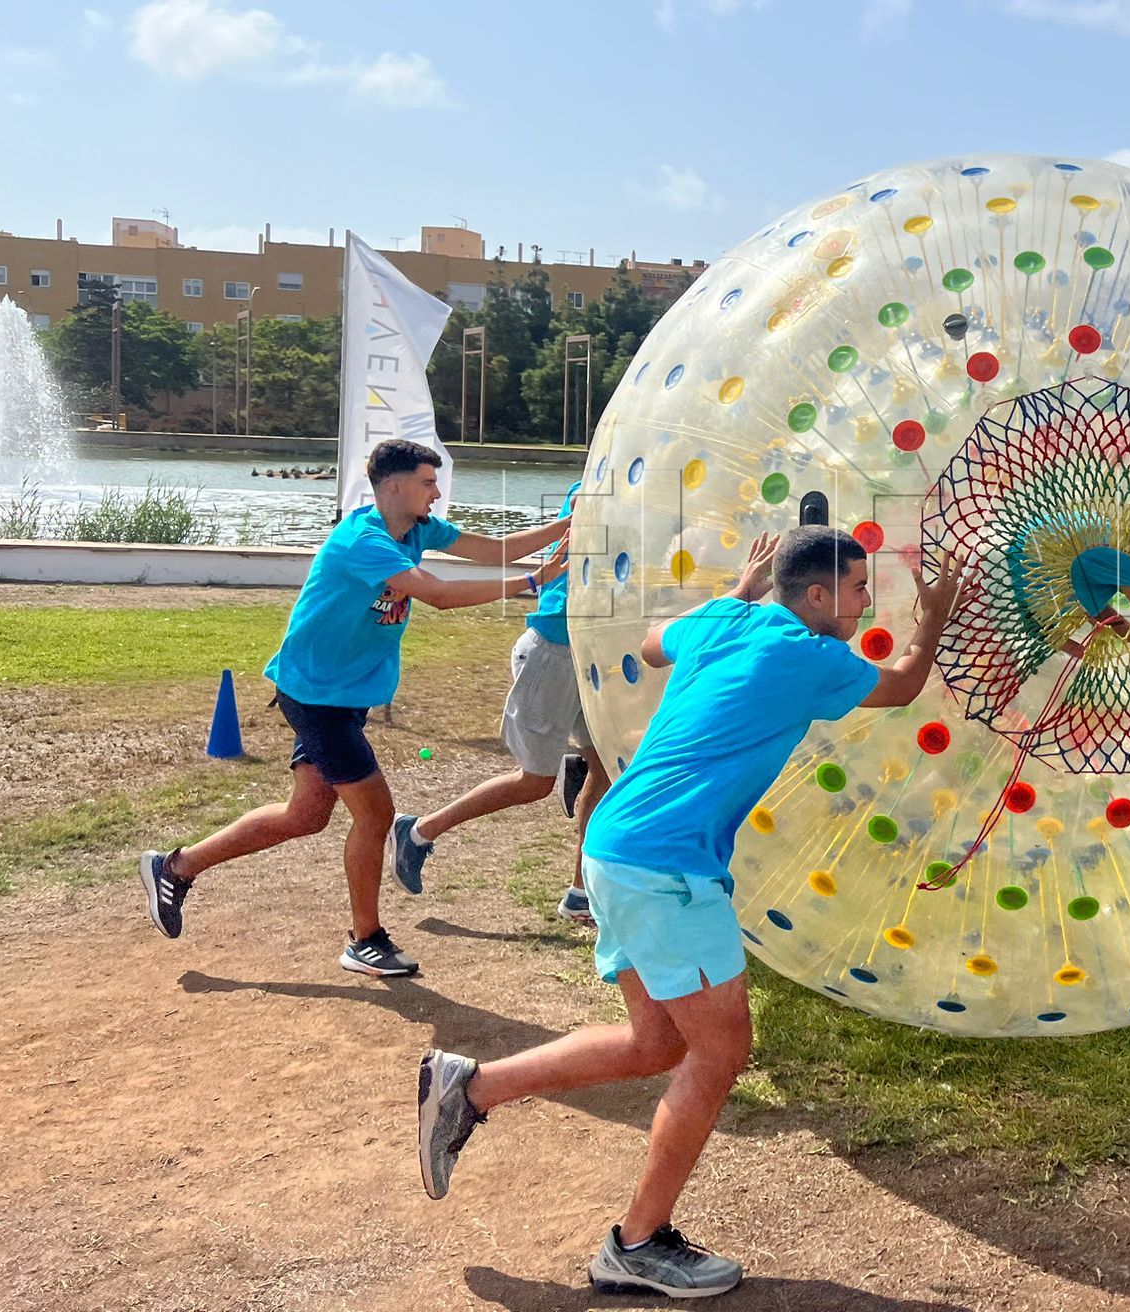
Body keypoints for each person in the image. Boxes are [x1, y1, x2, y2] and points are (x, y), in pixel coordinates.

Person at [415, 524, 977, 1298]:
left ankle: (469, 1089)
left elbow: (652, 647)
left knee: (655, 1043)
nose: (861, 604)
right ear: (816, 597)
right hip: (665, 864)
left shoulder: (730, 619)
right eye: (854, 592)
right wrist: (935, 615)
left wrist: (739, 592)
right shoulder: (809, 657)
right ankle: (636, 1243)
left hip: (620, 846)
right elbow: (905, 683)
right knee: (718, 1053)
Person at [138, 439, 571, 977]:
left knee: (306, 815)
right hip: (316, 695)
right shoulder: (363, 540)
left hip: (339, 696)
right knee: (376, 814)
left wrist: (569, 523)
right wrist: (533, 582)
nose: (437, 493)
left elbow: (495, 548)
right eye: (428, 483)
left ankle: (175, 867)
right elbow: (435, 593)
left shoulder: (416, 528)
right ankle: (365, 939)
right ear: (394, 486)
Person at [388, 480, 612, 922]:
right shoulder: (596, 487)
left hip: (593, 652)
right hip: (555, 651)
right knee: (533, 784)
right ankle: (417, 832)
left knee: (607, 766)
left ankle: (580, 894)